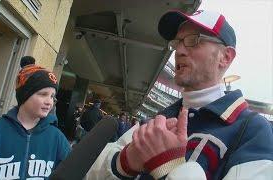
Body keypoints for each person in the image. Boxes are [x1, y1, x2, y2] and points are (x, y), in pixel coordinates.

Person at [85, 10, 273, 179]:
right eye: (177, 42)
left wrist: (168, 165)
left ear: (225, 57)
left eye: (194, 40)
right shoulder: (158, 120)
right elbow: (88, 173)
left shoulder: (253, 130)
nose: (179, 51)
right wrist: (126, 160)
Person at [0, 56, 71, 179]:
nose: (49, 102)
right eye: (43, 94)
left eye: (52, 97)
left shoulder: (57, 138)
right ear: (25, 95)